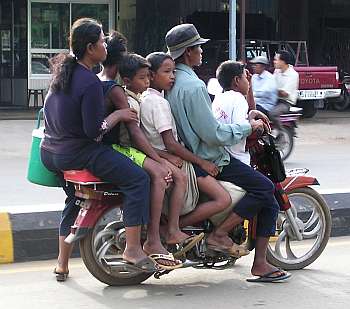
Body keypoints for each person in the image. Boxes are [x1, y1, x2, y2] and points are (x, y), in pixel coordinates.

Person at [165, 23, 291, 282]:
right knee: (265, 189)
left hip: (188, 155)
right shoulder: (194, 86)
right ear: (189, 52)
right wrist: (249, 126)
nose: (202, 51)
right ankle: (224, 238)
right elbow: (213, 134)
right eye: (199, 47)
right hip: (211, 158)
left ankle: (241, 249)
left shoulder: (171, 81)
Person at [41, 18, 155, 281]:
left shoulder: (62, 73)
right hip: (78, 151)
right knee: (138, 179)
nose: (105, 45)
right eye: (102, 41)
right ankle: (134, 249)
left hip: (51, 153)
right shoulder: (89, 82)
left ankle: (62, 264)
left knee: (74, 199)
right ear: (91, 48)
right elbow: (95, 130)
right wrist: (120, 115)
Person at [141, 52, 248, 257]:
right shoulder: (160, 102)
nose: (172, 76)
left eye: (173, 71)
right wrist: (202, 162)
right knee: (223, 199)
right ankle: (173, 229)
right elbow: (171, 143)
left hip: (166, 156)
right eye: (167, 72)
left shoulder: (152, 98)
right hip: (181, 159)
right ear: (151, 75)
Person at [99, 47, 199, 268]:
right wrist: (160, 158)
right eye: (143, 77)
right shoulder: (129, 99)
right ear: (126, 79)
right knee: (166, 176)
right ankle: (160, 235)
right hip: (126, 149)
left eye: (147, 77)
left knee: (165, 174)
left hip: (133, 149)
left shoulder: (136, 97)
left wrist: (159, 157)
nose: (147, 81)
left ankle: (164, 231)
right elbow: (137, 137)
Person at [271, 50, 299, 134]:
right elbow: (270, 84)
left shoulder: (293, 74)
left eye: (276, 60)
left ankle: (281, 134)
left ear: (283, 61)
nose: (274, 62)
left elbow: (284, 93)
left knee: (272, 114)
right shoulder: (277, 71)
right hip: (273, 99)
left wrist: (271, 90)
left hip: (285, 102)